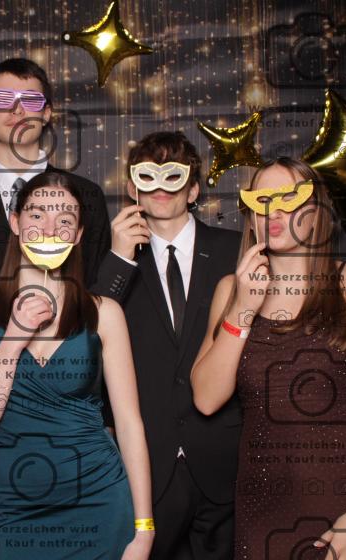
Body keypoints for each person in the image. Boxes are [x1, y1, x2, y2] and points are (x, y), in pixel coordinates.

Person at [191, 157, 346, 559]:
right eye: (262, 200)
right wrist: (243, 309)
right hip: (262, 509)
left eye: (289, 198)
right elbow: (206, 398)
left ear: (316, 210)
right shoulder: (229, 290)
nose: (274, 211)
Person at [0, 57, 113, 559]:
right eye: (3, 99)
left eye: (31, 99)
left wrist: (98, 416)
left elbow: (98, 308)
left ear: (49, 112)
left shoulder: (87, 197)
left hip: (68, 422)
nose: (18, 110)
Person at [0, 172, 154, 559]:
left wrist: (144, 530)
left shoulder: (104, 313)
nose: (49, 228)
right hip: (21, 513)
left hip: (102, 500)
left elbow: (129, 425)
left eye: (64, 219)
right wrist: (13, 338)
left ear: (78, 235)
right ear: (15, 222)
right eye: (37, 215)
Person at [92, 131, 242, 559]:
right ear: (132, 187)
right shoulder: (111, 260)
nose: (161, 185)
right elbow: (90, 339)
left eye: (174, 176)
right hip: (148, 462)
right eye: (148, 175)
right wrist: (119, 260)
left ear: (193, 190)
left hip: (222, 454)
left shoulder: (235, 251)